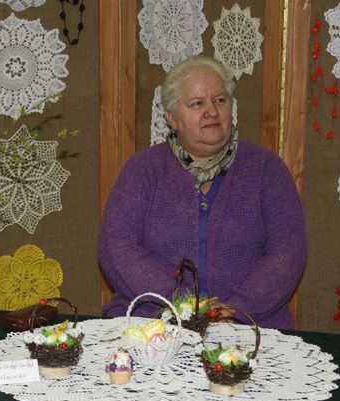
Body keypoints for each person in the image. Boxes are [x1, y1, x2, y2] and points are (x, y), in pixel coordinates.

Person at [99, 55, 307, 329]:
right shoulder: (143, 170)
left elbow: (288, 252)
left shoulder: (266, 168)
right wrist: (184, 303)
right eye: (197, 103)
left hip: (251, 326)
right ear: (172, 118)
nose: (212, 111)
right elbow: (116, 247)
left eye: (220, 100)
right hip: (153, 324)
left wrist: (237, 308)